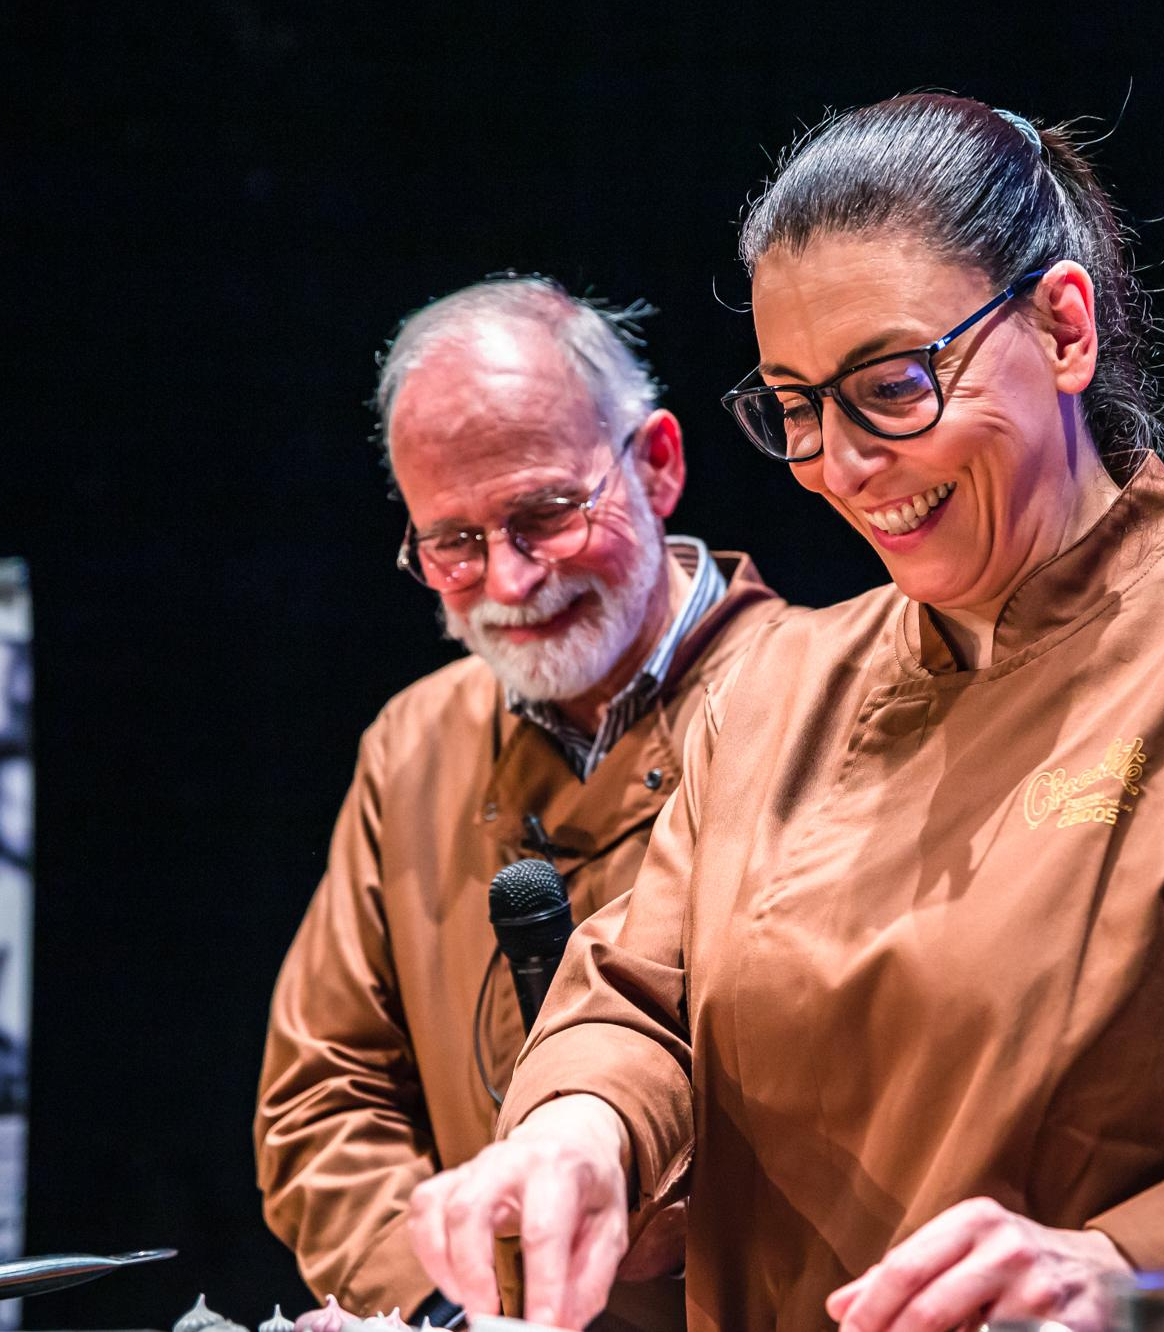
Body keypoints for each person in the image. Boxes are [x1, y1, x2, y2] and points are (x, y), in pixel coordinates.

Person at [407, 96, 1164, 1332]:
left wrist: (1123, 1264)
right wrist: (580, 1124)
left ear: (1062, 328)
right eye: (794, 406)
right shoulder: (770, 693)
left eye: (892, 385)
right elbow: (636, 998)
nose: (840, 462)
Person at [254, 276, 791, 1327]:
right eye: (451, 542)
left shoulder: (824, 699)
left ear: (659, 464)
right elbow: (321, 1097)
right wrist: (445, 1308)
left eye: (544, 514)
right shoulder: (412, 744)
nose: (506, 580)